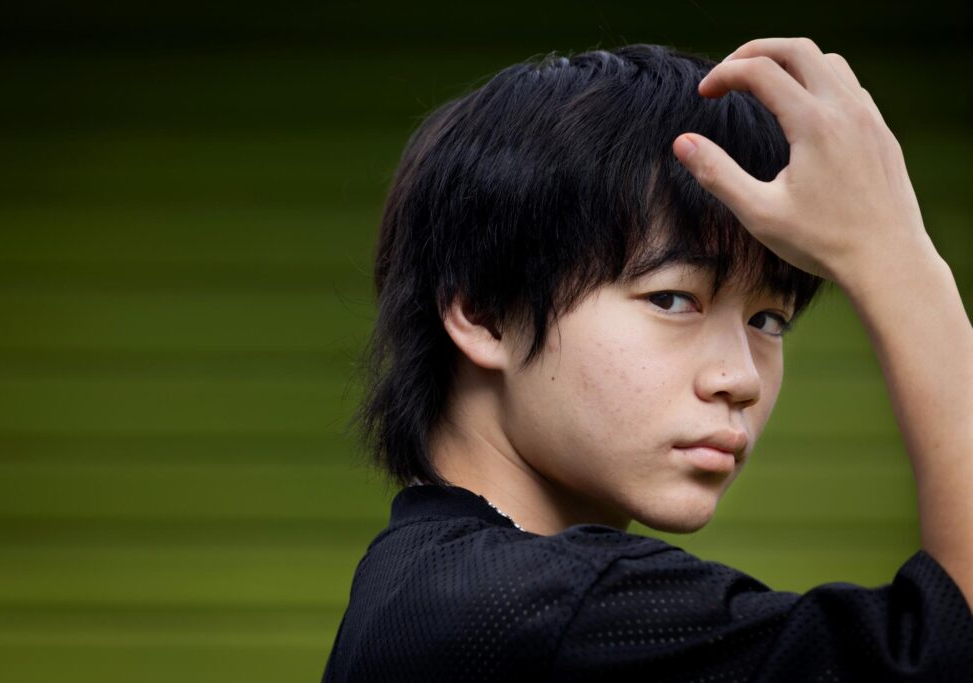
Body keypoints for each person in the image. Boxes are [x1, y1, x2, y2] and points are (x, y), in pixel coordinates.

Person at [322, 38, 973, 681]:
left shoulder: (419, 585)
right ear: (485, 312)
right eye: (672, 298)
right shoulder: (536, 608)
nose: (740, 379)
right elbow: (945, 647)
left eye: (768, 319)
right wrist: (896, 258)